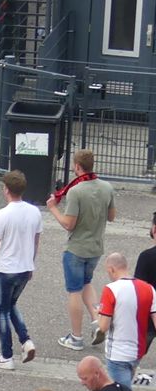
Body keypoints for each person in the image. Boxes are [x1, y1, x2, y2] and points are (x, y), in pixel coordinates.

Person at [48, 149, 116, 352]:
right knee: (87, 283)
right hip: (96, 247)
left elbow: (69, 224)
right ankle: (97, 322)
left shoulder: (76, 192)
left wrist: (53, 208)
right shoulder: (106, 187)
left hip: (76, 248)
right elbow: (111, 216)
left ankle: (76, 337)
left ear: (77, 166)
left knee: (74, 291)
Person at [0, 169, 42, 369]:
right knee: (11, 304)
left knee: (2, 312)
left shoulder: (2, 215)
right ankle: (25, 340)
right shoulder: (34, 212)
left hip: (7, 269)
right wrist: (31, 263)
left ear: (6, 189)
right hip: (24, 268)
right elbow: (36, 241)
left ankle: (6, 355)